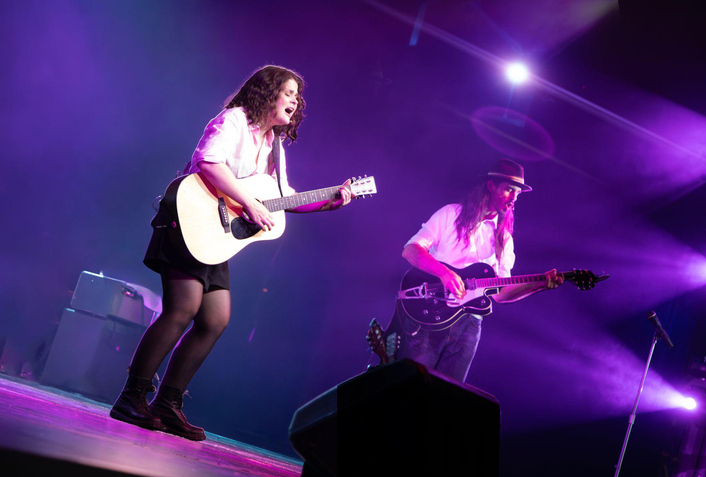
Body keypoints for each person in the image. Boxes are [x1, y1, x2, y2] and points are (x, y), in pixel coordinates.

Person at [110, 65, 353, 441]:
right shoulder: (234, 120)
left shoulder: (275, 145)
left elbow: (283, 199)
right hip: (188, 218)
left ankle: (167, 403)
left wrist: (329, 202)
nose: (296, 100)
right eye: (289, 92)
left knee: (215, 320)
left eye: (297, 96)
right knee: (182, 309)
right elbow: (208, 163)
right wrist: (249, 204)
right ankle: (131, 397)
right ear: (267, 92)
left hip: (216, 236)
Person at [396, 159, 563, 383]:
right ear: (491, 186)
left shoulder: (504, 240)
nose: (514, 198)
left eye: (517, 193)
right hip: (431, 314)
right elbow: (411, 251)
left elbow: (501, 293)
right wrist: (445, 274)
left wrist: (540, 284)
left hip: (469, 325)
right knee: (412, 389)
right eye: (508, 190)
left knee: (448, 398)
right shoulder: (450, 215)